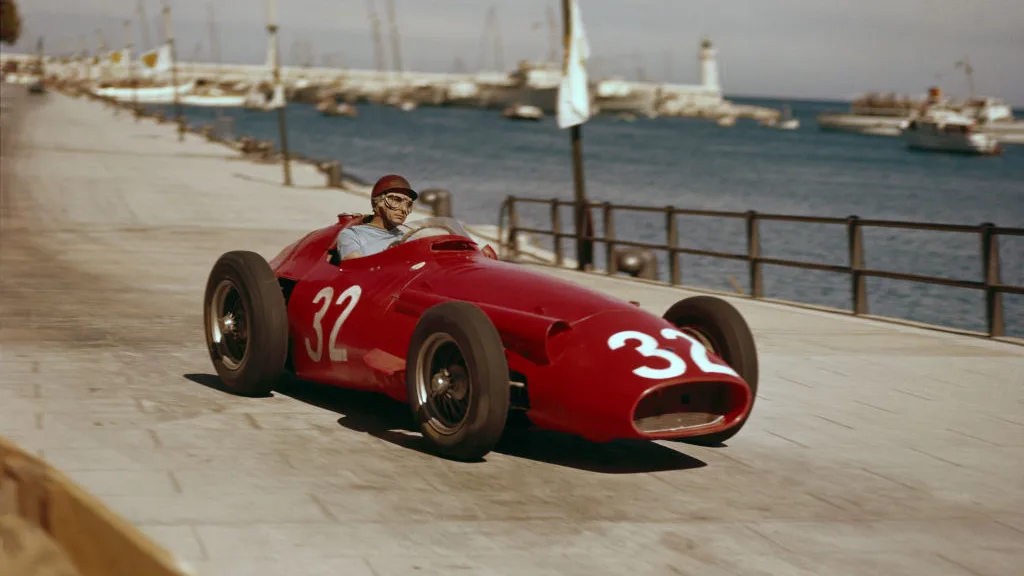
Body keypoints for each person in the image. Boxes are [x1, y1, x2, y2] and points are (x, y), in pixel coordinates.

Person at [337, 174, 418, 260]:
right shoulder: (353, 235)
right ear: (378, 202)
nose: (404, 209)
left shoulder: (409, 240)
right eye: (396, 200)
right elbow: (356, 267)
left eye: (408, 204)